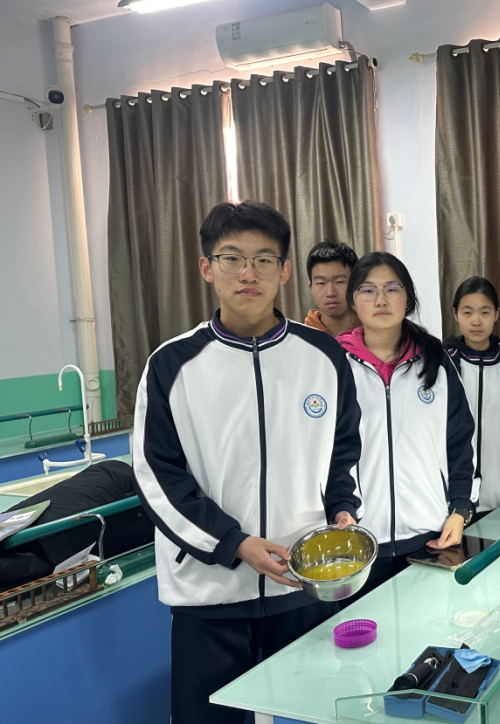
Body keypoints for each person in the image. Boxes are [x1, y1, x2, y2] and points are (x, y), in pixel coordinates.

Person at [132, 201, 363, 724]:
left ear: (284, 271)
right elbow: (156, 476)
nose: (248, 273)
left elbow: (345, 451)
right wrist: (233, 543)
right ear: (206, 267)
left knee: (315, 714)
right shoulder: (172, 364)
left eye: (263, 260)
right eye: (232, 258)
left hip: (302, 583)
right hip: (209, 594)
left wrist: (344, 508)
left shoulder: (324, 357)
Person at [338, 251, 477, 595]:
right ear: (353, 300)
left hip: (431, 537)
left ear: (409, 299)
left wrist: (461, 509)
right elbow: (323, 453)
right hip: (358, 541)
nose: (381, 300)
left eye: (392, 289)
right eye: (368, 290)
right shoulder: (334, 364)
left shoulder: (436, 362)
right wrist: (339, 510)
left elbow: (460, 441)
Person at [445, 276, 500, 516]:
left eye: (484, 312)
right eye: (467, 312)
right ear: (455, 314)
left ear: (496, 314)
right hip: (452, 499)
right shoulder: (442, 365)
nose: (476, 321)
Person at [304, 240, 360, 337]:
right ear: (311, 288)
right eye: (321, 283)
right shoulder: (301, 338)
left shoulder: (372, 331)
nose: (330, 293)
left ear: (355, 285)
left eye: (339, 282)